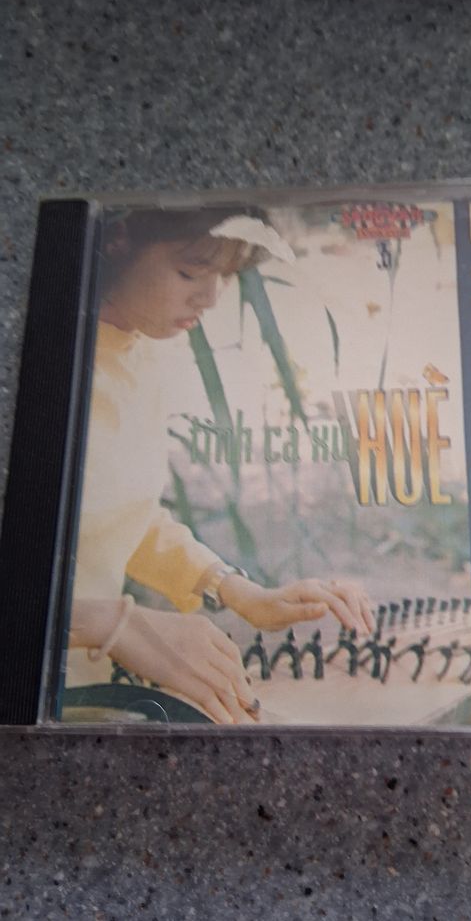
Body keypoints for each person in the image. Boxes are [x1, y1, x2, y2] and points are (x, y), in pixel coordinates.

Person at [67, 207, 373, 725]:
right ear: (118, 240)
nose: (210, 298)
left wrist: (240, 592)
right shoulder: (49, 367)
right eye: (190, 272)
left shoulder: (141, 352)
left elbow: (117, 516)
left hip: (84, 686)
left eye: (224, 276)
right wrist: (120, 625)